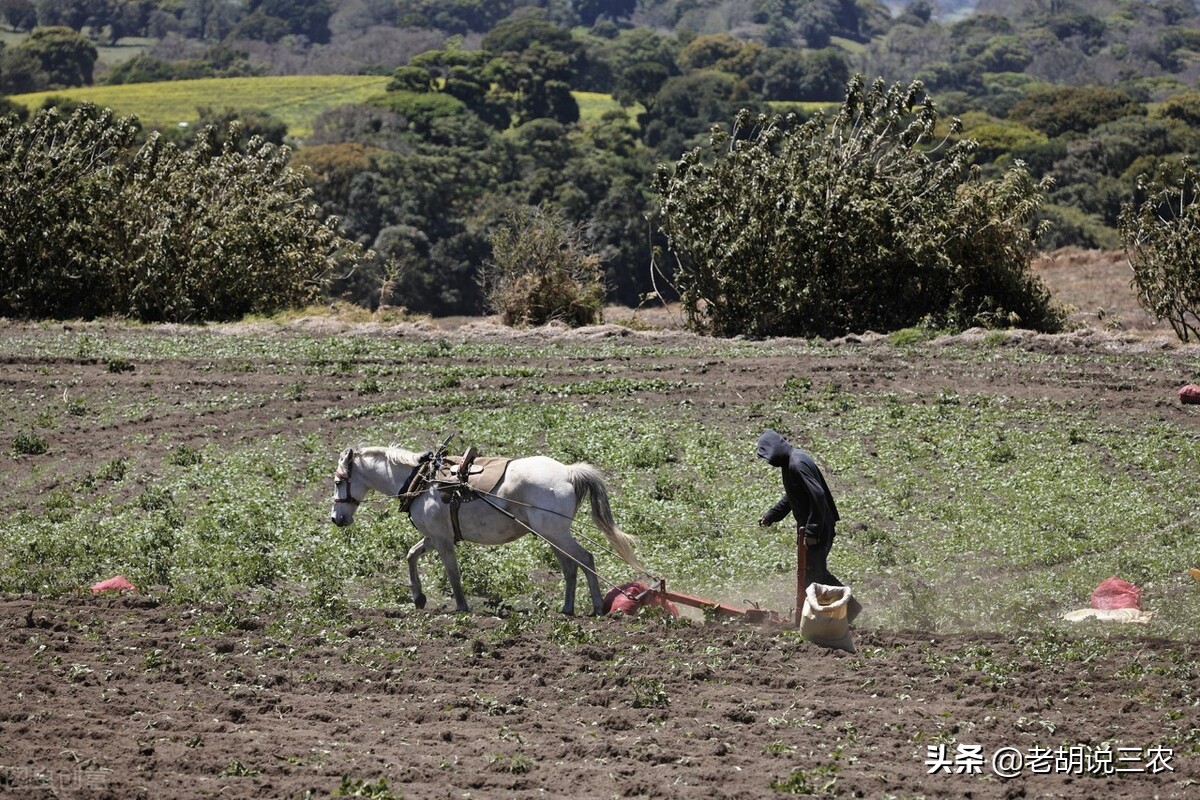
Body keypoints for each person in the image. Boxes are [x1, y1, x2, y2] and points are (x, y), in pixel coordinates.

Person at [756, 429, 862, 623]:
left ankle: (845, 611)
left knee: (814, 575)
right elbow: (793, 496)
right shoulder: (791, 463)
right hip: (815, 527)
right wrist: (772, 515)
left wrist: (812, 529)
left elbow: (818, 495)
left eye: (768, 457)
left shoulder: (796, 464)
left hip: (819, 527)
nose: (769, 462)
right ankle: (821, 617)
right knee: (812, 574)